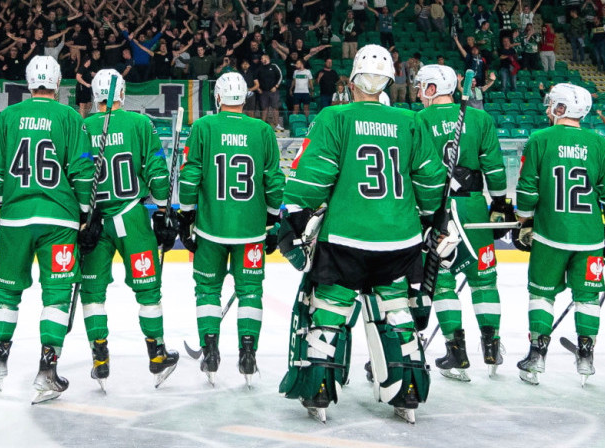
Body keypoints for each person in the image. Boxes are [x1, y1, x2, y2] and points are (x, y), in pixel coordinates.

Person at [280, 44, 446, 423]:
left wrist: (291, 218)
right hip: (399, 242)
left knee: (330, 311)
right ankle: (407, 391)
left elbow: (313, 178)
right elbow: (432, 180)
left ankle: (320, 389)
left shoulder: (335, 117)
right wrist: (429, 218)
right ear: (389, 81)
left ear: (353, 81)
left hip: (345, 240)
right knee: (397, 313)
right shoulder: (410, 121)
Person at [0, 56, 96, 403]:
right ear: (58, 82)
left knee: (6, 290)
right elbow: (83, 171)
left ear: (29, 83)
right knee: (57, 295)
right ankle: (48, 369)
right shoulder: (70, 117)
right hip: (59, 220)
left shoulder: (7, 117)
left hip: (16, 218)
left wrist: (9, 200)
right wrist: (85, 213)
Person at [513, 83, 605, 385]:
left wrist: (524, 221)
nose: (548, 107)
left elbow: (526, 190)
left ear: (561, 108)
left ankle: (537, 356)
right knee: (588, 297)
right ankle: (587, 357)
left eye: (553, 103)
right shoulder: (601, 145)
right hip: (590, 237)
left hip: (550, 234)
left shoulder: (539, 139)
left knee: (541, 294)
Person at [176, 72, 285, 386]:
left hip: (211, 229)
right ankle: (248, 353)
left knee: (207, 290)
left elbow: (190, 176)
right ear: (245, 99)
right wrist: (274, 220)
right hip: (251, 231)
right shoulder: (263, 130)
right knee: (251, 291)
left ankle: (210, 350)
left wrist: (186, 216)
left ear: (219, 98)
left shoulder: (204, 127)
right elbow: (274, 181)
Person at [75, 68, 179, 396]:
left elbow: (75, 175)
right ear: (122, 93)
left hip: (94, 220)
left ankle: (100, 356)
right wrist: (163, 210)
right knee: (149, 292)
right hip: (132, 217)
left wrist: (80, 217)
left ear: (95, 95)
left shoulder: (83, 126)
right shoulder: (139, 124)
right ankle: (157, 353)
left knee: (93, 294)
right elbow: (158, 174)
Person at [412, 65, 514, 382]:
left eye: (421, 87)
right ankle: (491, 346)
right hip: (473, 208)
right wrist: (499, 204)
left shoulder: (417, 121)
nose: (417, 93)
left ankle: (456, 351)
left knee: (441, 282)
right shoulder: (481, 118)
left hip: (436, 207)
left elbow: (410, 168)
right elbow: (495, 169)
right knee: (484, 280)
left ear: (432, 89)